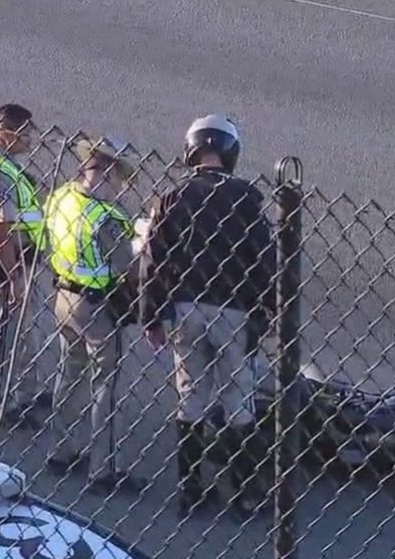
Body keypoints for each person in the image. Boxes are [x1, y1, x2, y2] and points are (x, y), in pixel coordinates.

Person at [138, 114, 277, 519]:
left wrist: (151, 316)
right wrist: (271, 309)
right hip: (233, 310)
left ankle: (191, 488)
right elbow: (265, 260)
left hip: (186, 309)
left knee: (191, 398)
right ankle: (245, 492)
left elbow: (153, 261)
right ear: (230, 152)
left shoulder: (173, 198)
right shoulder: (246, 197)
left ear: (191, 149)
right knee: (238, 402)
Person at [42, 135, 146, 494]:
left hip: (62, 298)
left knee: (68, 372)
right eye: (117, 180)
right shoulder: (105, 218)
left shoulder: (60, 198)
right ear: (104, 172)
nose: (118, 188)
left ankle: (61, 449)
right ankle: (102, 470)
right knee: (105, 385)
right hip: (97, 308)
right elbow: (125, 266)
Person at [0, 103, 50, 430]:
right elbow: (2, 229)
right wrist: (14, 275)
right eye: (24, 133)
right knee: (6, 333)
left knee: (21, 328)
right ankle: (0, 403)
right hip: (6, 259)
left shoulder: (6, 164)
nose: (30, 139)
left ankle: (28, 391)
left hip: (19, 256)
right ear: (2, 132)